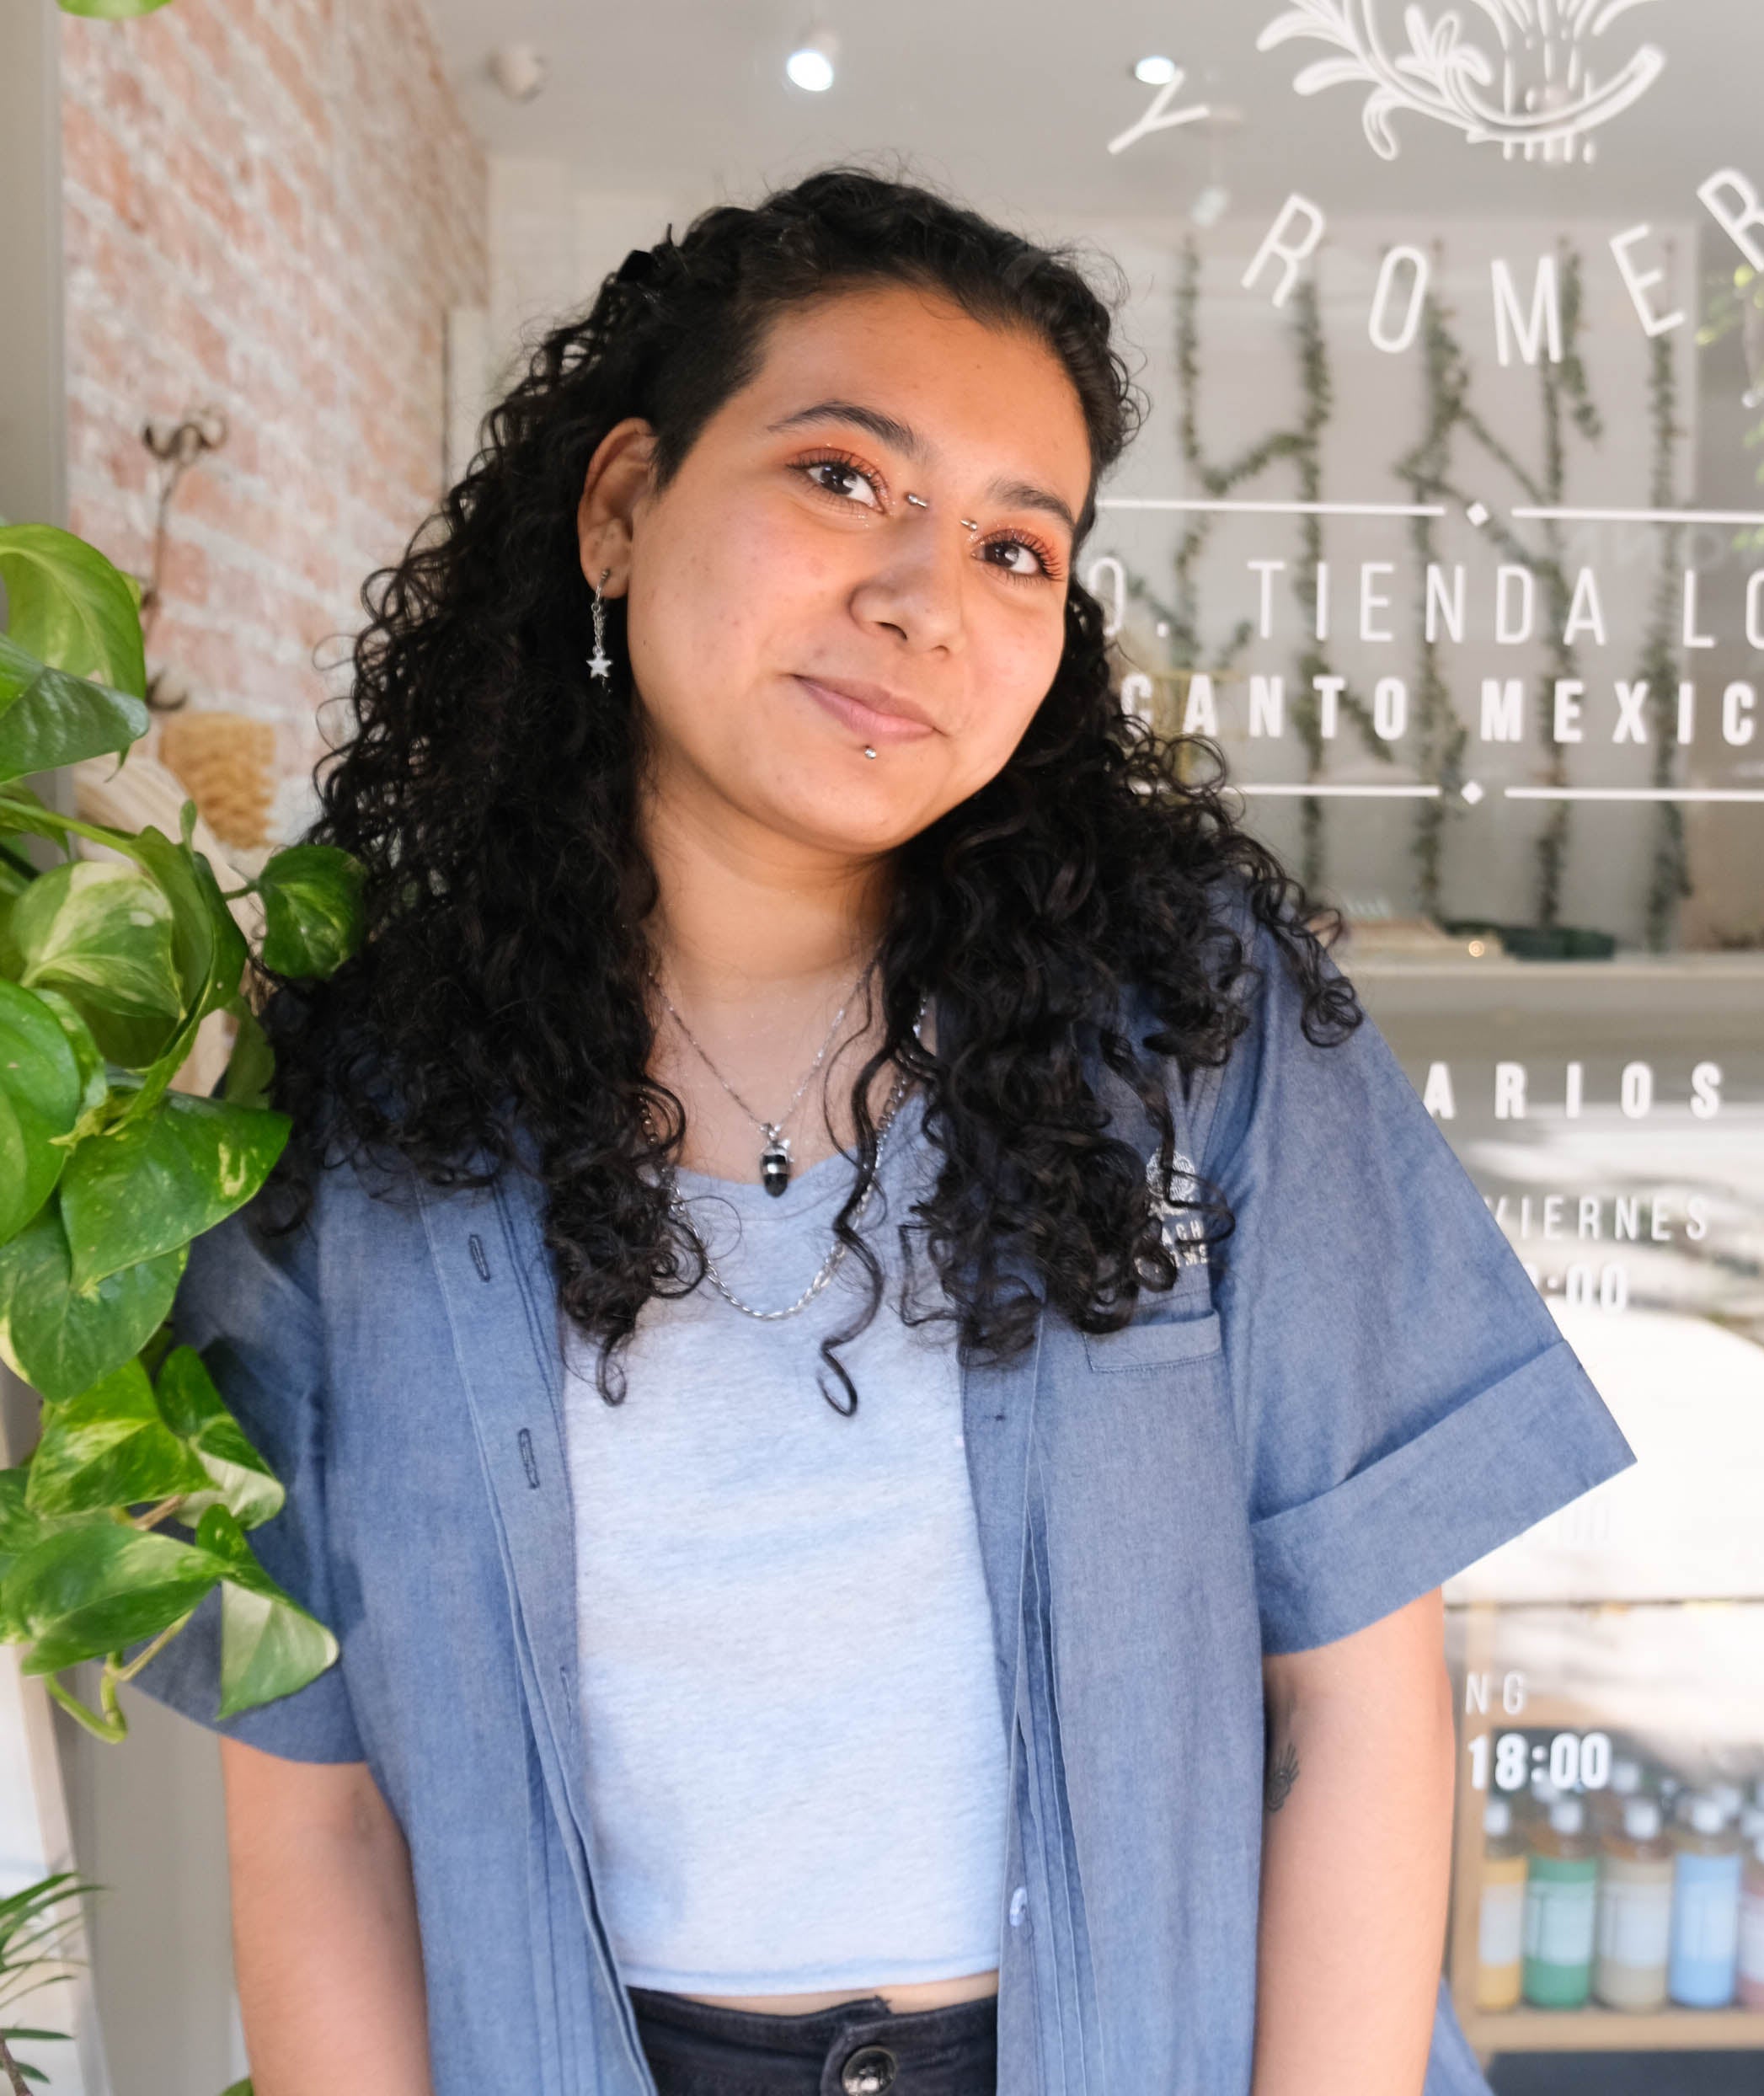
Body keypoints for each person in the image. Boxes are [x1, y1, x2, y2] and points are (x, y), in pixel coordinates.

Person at [137, 169, 1633, 2096]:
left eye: (1016, 546)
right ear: (618, 505)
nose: (925, 598)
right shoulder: (361, 1086)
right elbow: (315, 1811)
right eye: (842, 476)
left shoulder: (1187, 1018)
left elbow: (1355, 1703)